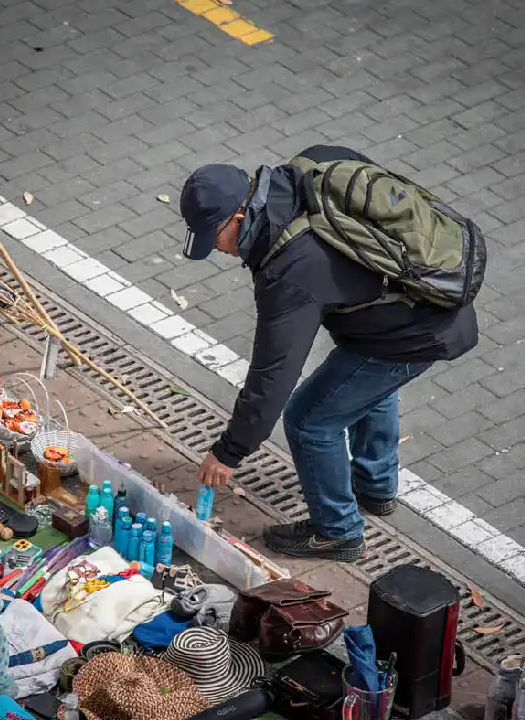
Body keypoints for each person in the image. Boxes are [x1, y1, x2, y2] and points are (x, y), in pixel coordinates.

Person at [178, 145, 479, 561]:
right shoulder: (308, 169)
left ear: (240, 217)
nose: (216, 249)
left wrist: (230, 450)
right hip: (418, 309)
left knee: (308, 419)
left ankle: (337, 531)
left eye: (216, 237)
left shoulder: (287, 268)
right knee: (365, 387)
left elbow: (274, 374)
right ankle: (375, 488)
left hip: (416, 331)